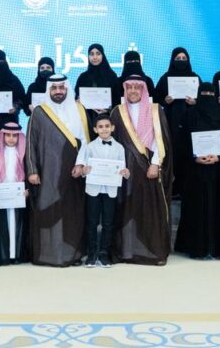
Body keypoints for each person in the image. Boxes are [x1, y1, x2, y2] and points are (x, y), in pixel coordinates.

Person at [25, 74, 89, 267]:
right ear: (49, 90)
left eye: (62, 87)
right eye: (54, 88)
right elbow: (30, 143)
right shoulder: (39, 112)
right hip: (46, 172)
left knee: (72, 213)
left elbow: (85, 141)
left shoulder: (79, 109)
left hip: (72, 172)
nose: (58, 91)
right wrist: (32, 170)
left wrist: (80, 164)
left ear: (67, 89)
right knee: (48, 211)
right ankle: (47, 254)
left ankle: (73, 254)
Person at [110, 74, 173, 265]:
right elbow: (112, 141)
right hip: (124, 171)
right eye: (129, 87)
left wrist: (155, 163)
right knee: (126, 210)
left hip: (148, 168)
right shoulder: (117, 112)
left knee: (149, 211)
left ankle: (153, 252)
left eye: (137, 88)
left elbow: (160, 140)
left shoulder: (156, 110)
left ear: (143, 90)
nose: (133, 91)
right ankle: (126, 252)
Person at [174, 82, 220, 259]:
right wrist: (194, 158)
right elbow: (181, 142)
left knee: (218, 206)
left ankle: (217, 247)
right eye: (204, 93)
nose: (207, 97)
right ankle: (196, 247)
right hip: (195, 171)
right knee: (196, 207)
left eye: (210, 93)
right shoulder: (188, 115)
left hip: (218, 171)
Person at [78, 114, 130, 268]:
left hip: (110, 189)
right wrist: (84, 171)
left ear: (112, 128)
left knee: (108, 223)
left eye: (107, 126)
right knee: (92, 222)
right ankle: (92, 254)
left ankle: (104, 254)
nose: (104, 129)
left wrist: (125, 172)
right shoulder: (89, 147)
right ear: (95, 129)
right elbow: (83, 169)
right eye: (100, 127)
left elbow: (123, 168)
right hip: (93, 189)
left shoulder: (119, 147)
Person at [154, 47, 200, 200]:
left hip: (190, 122)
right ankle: (172, 188)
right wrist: (165, 100)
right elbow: (156, 97)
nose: (181, 61)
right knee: (172, 153)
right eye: (178, 58)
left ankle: (188, 187)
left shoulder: (194, 77)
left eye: (184, 58)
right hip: (171, 122)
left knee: (189, 152)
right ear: (172, 60)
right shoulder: (165, 78)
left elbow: (204, 99)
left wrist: (195, 102)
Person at [0, 122, 30, 266]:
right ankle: (4, 255)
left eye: (14, 136)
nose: (11, 139)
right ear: (2, 136)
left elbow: (28, 172)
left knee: (17, 225)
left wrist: (28, 189)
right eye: (8, 135)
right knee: (2, 225)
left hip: (18, 196)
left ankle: (16, 255)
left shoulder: (23, 154)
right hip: (1, 197)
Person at [75, 43, 118, 132]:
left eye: (98, 54)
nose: (95, 57)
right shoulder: (83, 77)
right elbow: (77, 97)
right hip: (87, 120)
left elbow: (117, 100)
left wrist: (108, 110)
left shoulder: (111, 76)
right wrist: (78, 101)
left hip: (107, 121)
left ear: (103, 55)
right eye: (91, 54)